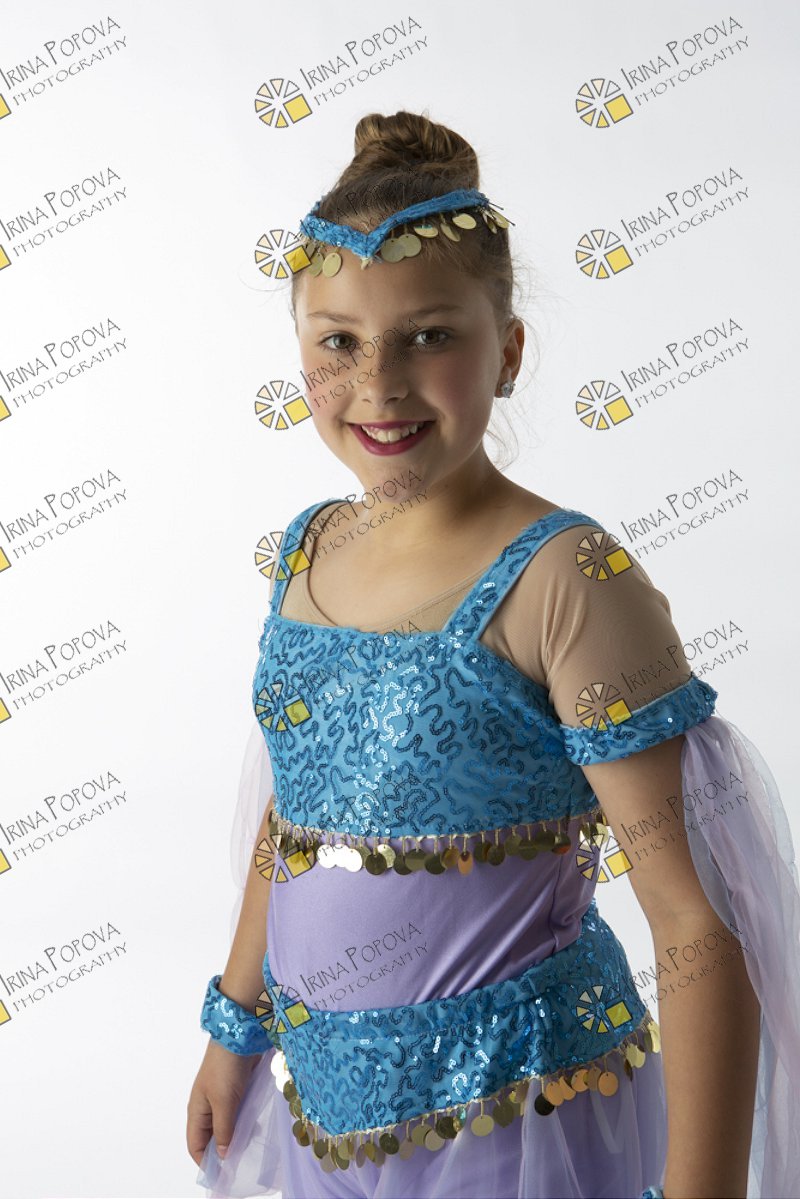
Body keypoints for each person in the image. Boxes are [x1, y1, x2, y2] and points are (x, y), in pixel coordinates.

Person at [186, 110, 800, 1199]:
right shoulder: (308, 550)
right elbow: (294, 818)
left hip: (519, 1121)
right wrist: (235, 1027)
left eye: (429, 336)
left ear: (507, 351)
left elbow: (691, 921)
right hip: (324, 1112)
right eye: (338, 342)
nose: (378, 383)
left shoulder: (562, 576)